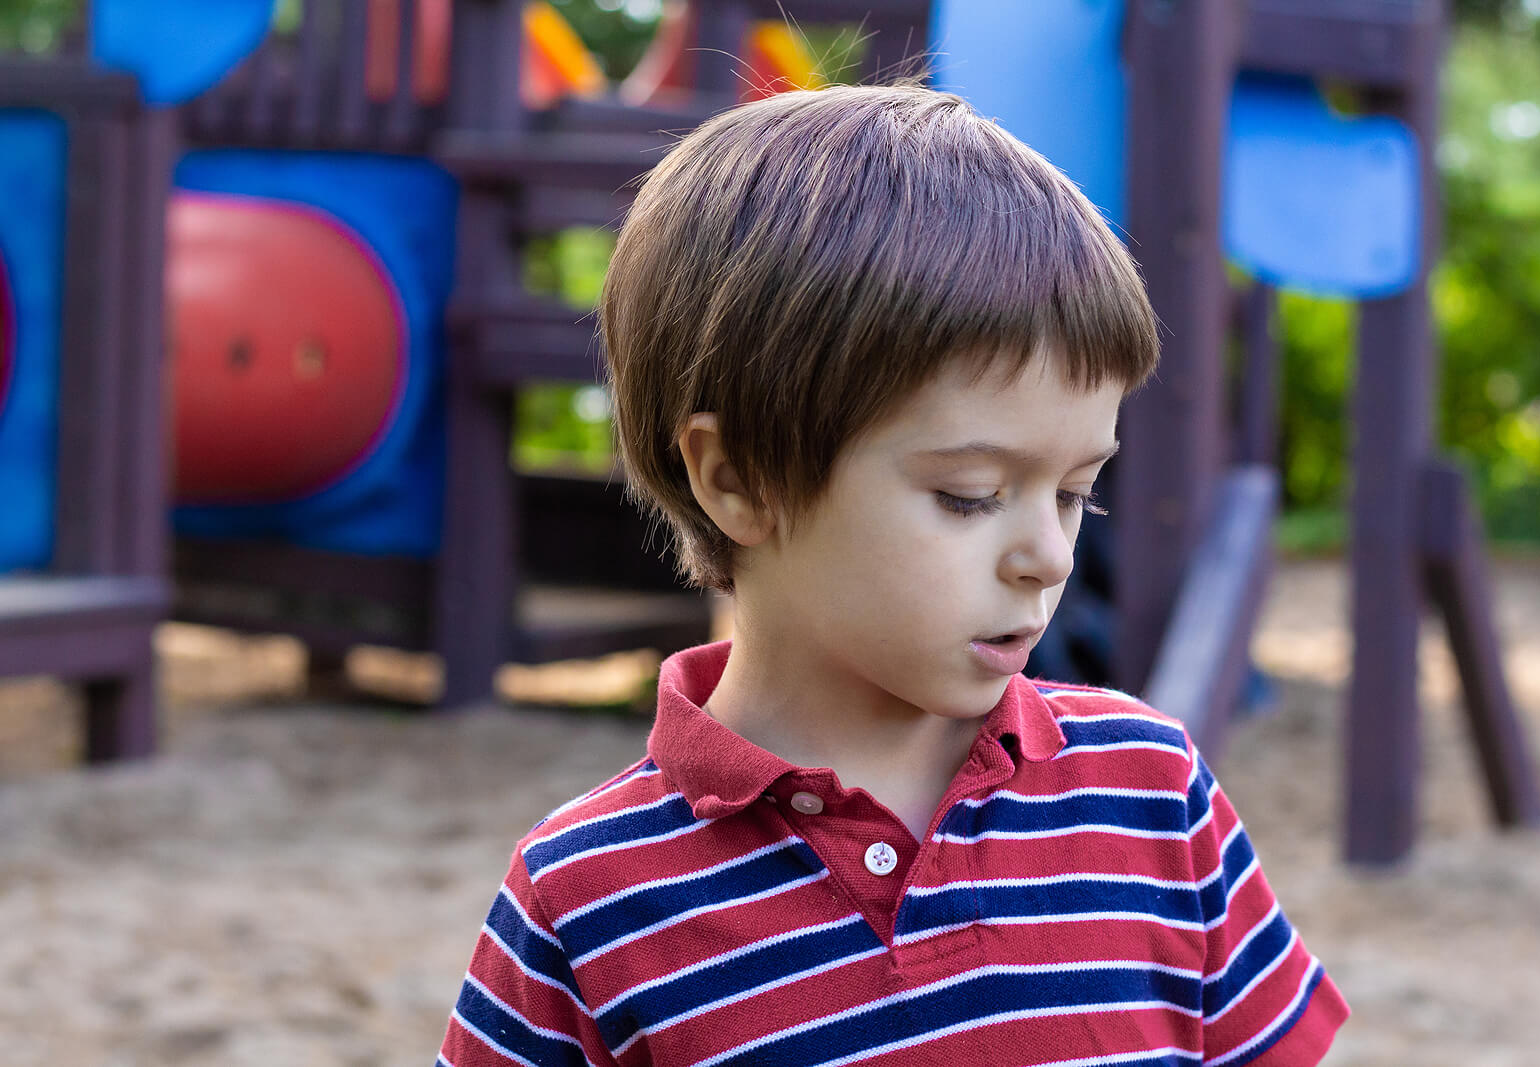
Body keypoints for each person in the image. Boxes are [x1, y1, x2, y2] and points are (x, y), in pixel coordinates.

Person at [437, 82, 1348, 1066]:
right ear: (737, 476)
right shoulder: (588, 899)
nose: (1046, 554)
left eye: (1076, 491)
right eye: (969, 494)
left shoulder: (1152, 792)